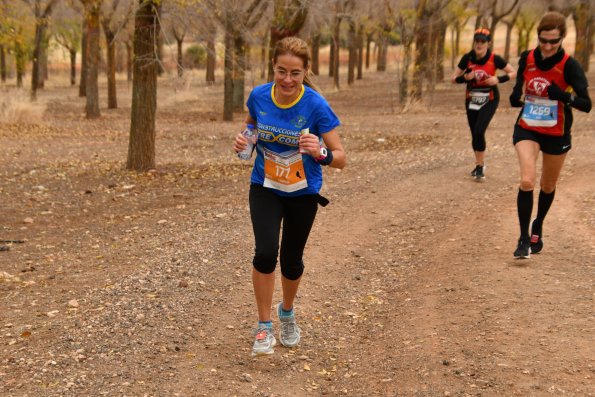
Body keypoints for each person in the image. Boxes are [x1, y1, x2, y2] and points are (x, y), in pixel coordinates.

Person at [233, 36, 346, 356]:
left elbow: (340, 157)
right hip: (265, 187)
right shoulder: (258, 96)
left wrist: (320, 151)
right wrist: (244, 145)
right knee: (266, 252)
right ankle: (264, 325)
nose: (287, 79)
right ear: (273, 67)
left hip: (302, 192)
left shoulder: (315, 105)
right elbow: (251, 129)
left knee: (291, 261)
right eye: (281, 71)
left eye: (295, 73)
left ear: (306, 71)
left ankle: (287, 312)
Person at [509, 11, 591, 258]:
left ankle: (538, 224)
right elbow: (518, 87)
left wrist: (564, 96)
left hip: (557, 132)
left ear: (562, 39)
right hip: (527, 126)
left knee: (547, 185)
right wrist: (515, 97)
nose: (546, 46)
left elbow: (586, 104)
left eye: (553, 41)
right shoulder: (528, 58)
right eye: (543, 40)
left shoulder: (570, 65)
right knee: (527, 181)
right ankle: (523, 239)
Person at [452, 28, 516, 181]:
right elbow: (454, 78)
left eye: (483, 42)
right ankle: (478, 165)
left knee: (480, 131)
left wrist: (498, 79)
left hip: (490, 99)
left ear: (489, 43)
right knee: (475, 133)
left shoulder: (495, 58)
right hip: (472, 99)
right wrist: (465, 78)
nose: (479, 44)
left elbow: (513, 72)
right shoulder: (467, 58)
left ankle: (480, 167)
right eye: (477, 41)